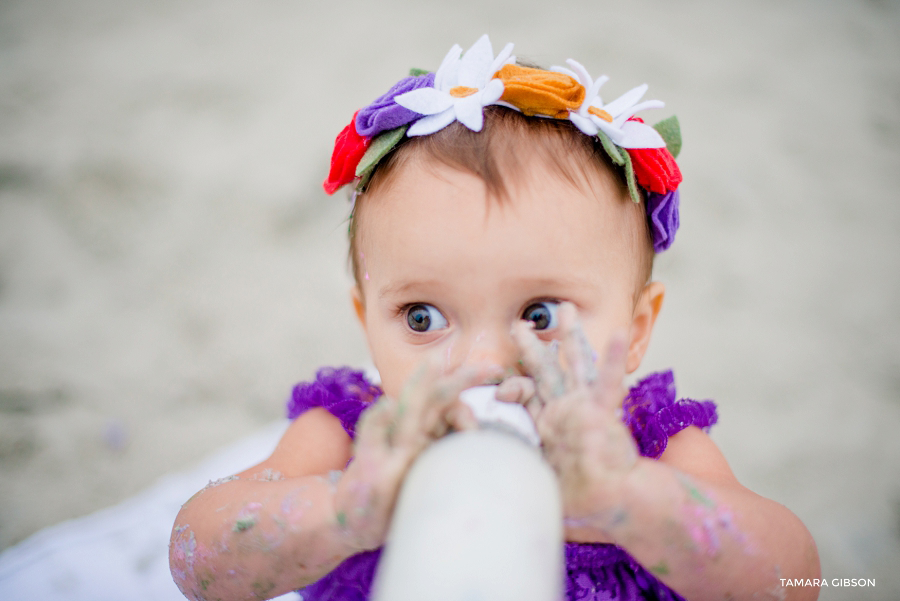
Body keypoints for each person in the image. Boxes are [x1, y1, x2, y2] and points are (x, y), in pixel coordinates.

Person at [169, 35, 821, 601]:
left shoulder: (647, 446)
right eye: (422, 316)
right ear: (367, 320)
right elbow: (198, 557)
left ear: (635, 330)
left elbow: (795, 578)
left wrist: (636, 501)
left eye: (540, 313)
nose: (483, 362)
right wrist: (342, 510)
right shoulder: (357, 436)